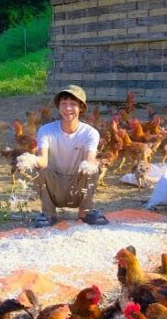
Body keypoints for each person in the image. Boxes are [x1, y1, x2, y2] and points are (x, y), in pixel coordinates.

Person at [17, 85, 108, 227]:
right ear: (58, 107)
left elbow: (89, 158)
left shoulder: (90, 133)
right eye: (64, 104)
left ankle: (85, 212)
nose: (68, 108)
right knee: (38, 168)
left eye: (73, 104)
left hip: (78, 186)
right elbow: (43, 160)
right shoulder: (46, 130)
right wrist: (31, 159)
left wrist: (91, 163)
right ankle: (48, 213)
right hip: (54, 185)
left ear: (81, 108)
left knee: (92, 168)